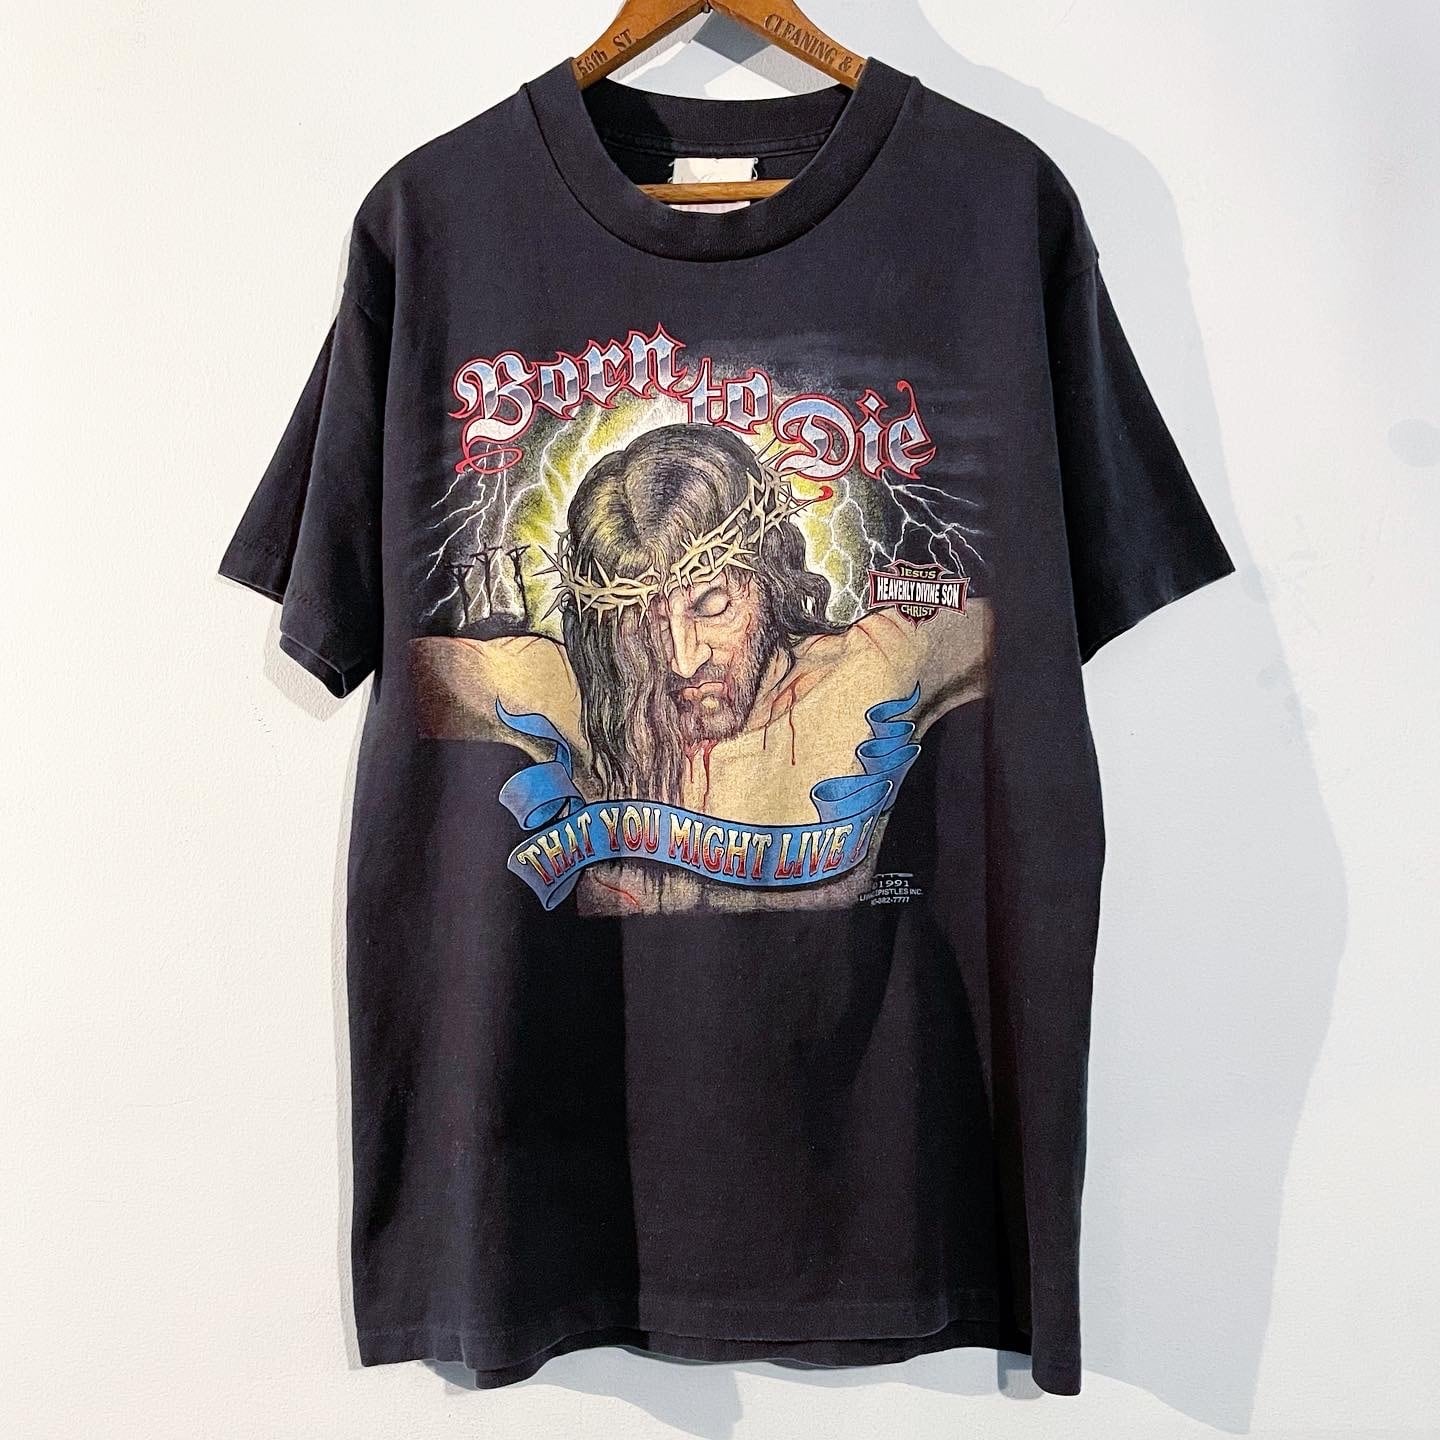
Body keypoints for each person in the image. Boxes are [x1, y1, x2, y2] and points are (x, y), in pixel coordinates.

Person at [409, 422, 992, 913]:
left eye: (712, 604)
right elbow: (418, 671)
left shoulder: (871, 668)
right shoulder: (573, 694)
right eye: (641, 625)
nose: (683, 660)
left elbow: (1029, 625)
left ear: (769, 578)